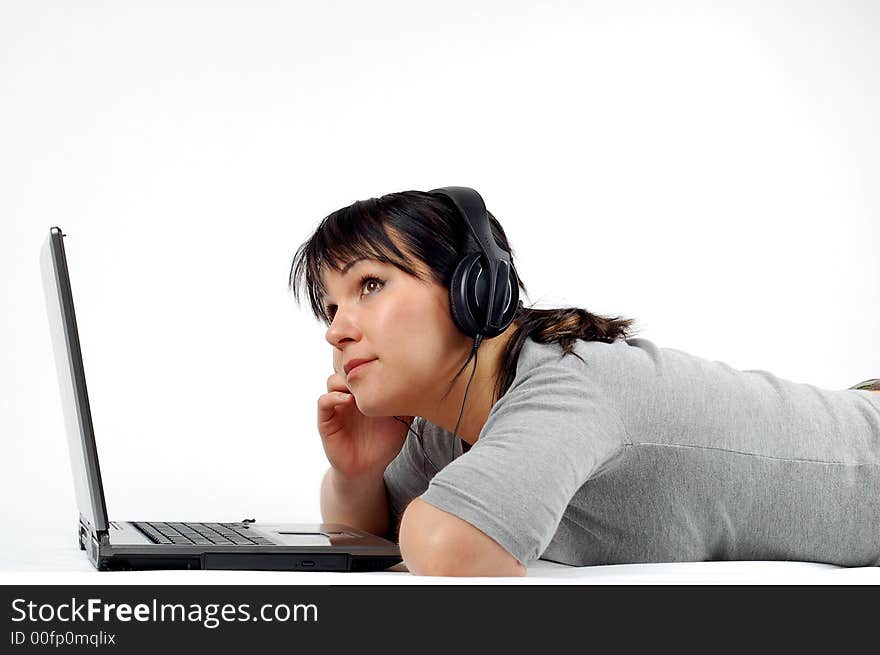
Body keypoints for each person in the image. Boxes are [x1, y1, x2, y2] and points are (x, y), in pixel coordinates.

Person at [288, 187, 880, 577]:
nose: (336, 331)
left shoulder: (566, 391)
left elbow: (448, 547)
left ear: (475, 290)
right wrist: (358, 474)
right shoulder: (450, 426)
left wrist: (419, 517)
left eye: (369, 285)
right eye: (330, 307)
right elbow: (370, 541)